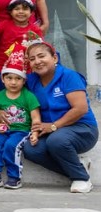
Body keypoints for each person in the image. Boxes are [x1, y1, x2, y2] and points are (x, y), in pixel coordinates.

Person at [22, 42, 98, 193]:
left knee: (56, 140)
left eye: (41, 56)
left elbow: (80, 109)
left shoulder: (69, 76)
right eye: (32, 59)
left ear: (54, 58)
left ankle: (81, 179)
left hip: (82, 129)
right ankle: (78, 168)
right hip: (51, 130)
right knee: (31, 149)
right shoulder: (31, 81)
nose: (37, 61)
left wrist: (53, 126)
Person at [0, 50, 40, 190]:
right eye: (9, 78)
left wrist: (35, 133)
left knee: (11, 146)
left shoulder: (28, 96)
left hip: (21, 131)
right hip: (3, 130)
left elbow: (35, 116)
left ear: (24, 80)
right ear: (2, 79)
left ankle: (14, 177)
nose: (13, 82)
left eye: (18, 78)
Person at [0, 0, 44, 113]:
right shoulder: (6, 24)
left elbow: (39, 48)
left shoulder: (35, 29)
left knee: (25, 96)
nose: (21, 12)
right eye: (17, 9)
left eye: (25, 9)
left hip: (25, 69)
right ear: (10, 12)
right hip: (1, 67)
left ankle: (23, 120)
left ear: (31, 12)